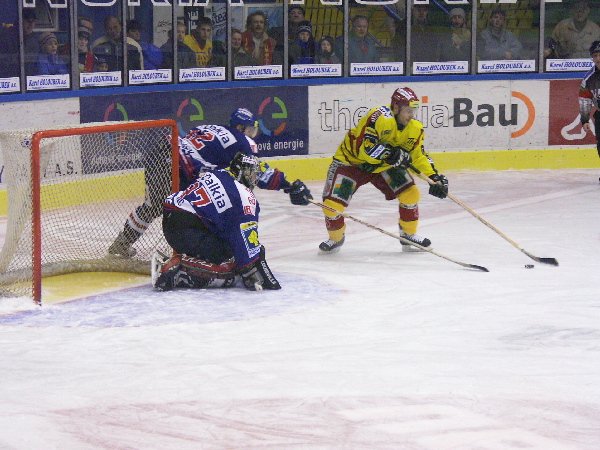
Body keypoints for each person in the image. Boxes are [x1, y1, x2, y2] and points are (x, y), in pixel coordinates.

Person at [108, 108, 313, 257]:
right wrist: (290, 185)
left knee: (151, 206)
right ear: (240, 127)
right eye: (250, 129)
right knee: (201, 209)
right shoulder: (242, 140)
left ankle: (121, 244)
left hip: (160, 153)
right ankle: (191, 251)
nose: (252, 134)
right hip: (179, 166)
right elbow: (258, 172)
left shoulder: (209, 127)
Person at [318, 87, 448, 253]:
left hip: (383, 166)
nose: (411, 115)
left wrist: (434, 177)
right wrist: (391, 154)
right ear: (396, 107)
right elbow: (365, 151)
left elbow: (419, 156)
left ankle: (408, 234)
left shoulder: (415, 129)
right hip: (351, 163)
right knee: (331, 206)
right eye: (408, 111)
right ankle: (336, 238)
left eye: (413, 111)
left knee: (411, 193)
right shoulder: (378, 117)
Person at [153, 152, 281, 292]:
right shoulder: (245, 196)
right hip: (189, 229)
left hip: (170, 222)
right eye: (251, 174)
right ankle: (179, 268)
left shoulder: (217, 173)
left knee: (222, 243)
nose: (254, 179)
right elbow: (247, 251)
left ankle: (186, 261)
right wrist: (252, 265)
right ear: (241, 172)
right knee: (229, 268)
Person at [580, 40, 600, 180]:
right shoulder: (588, 79)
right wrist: (585, 119)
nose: (598, 58)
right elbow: (584, 99)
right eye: (595, 56)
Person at [22, 8, 39, 75]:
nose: (31, 24)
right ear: (21, 21)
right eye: (29, 21)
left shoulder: (35, 39)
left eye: (33, 21)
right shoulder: (10, 37)